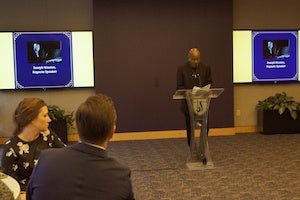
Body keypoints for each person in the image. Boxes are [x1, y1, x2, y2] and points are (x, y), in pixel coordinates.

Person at [27, 94, 135, 200]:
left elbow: (30, 195)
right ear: (112, 132)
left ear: (77, 127)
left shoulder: (47, 158)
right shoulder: (121, 176)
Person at [1, 98, 66, 191]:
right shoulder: (11, 149)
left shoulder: (47, 135)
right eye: (45, 115)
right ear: (31, 119)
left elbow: (66, 156)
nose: (49, 119)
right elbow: (11, 186)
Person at [176, 48, 212, 146]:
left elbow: (209, 84)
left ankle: (203, 148)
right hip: (189, 105)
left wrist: (206, 90)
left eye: (197, 59)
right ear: (189, 58)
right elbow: (179, 87)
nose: (196, 61)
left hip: (202, 104)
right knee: (190, 128)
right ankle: (192, 149)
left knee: (205, 126)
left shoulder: (205, 68)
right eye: (193, 59)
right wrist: (189, 92)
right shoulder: (182, 69)